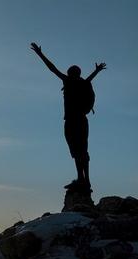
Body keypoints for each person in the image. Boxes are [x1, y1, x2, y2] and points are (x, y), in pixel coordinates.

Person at [30, 42, 106, 190]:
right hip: (83, 120)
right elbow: (89, 79)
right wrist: (97, 71)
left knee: (76, 150)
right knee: (82, 149)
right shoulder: (83, 83)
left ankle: (81, 179)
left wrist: (40, 54)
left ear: (70, 73)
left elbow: (52, 68)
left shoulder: (69, 81)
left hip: (72, 120)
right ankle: (84, 180)